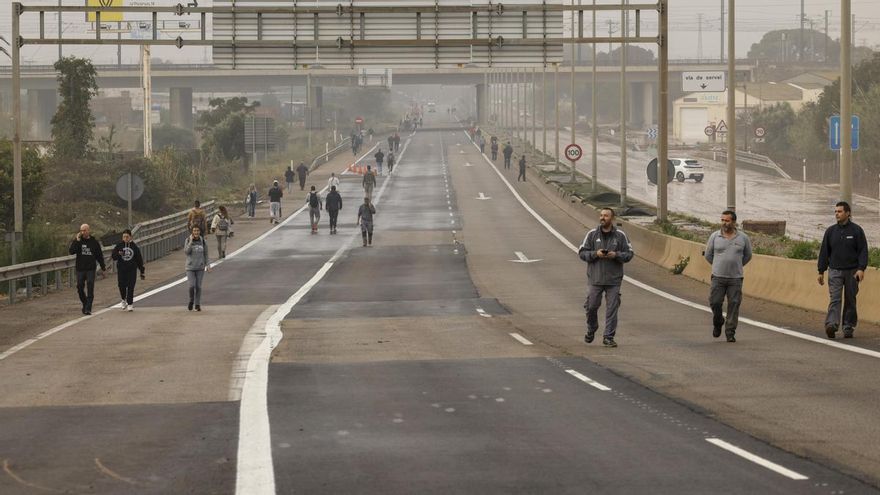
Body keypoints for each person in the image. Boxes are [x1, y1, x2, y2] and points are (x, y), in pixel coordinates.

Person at [577, 208, 634, 347]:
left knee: (612, 309)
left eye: (606, 216)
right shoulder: (591, 234)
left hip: (613, 280)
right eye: (601, 215)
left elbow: (629, 254)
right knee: (591, 307)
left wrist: (616, 255)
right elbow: (582, 252)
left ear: (612, 218)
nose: (603, 218)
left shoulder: (620, 235)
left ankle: (608, 337)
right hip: (595, 279)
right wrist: (595, 254)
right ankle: (591, 329)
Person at [818, 201, 869, 339]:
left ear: (848, 213)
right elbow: (824, 252)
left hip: (852, 271)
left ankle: (848, 326)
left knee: (850, 299)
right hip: (834, 271)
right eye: (835, 212)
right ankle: (832, 325)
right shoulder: (830, 231)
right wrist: (821, 271)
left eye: (840, 211)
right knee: (835, 299)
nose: (837, 214)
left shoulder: (857, 231)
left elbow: (863, 251)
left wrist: (861, 268)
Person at [704, 210, 753, 342]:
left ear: (734, 222)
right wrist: (717, 266)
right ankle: (718, 321)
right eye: (722, 220)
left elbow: (748, 256)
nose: (724, 223)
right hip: (718, 277)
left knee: (734, 304)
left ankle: (730, 332)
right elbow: (708, 255)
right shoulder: (715, 236)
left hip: (735, 278)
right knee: (715, 302)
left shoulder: (743, 238)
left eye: (727, 220)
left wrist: (736, 265)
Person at [69, 223, 107, 315]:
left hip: (90, 269)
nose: (83, 232)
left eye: (84, 230)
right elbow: (71, 251)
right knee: (79, 287)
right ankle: (85, 303)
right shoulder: (79, 241)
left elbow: (99, 256)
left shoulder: (94, 242)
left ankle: (88, 308)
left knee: (90, 286)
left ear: (88, 230)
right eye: (81, 230)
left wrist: (103, 267)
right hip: (80, 269)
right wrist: (77, 240)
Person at [111, 228, 145, 312]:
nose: (125, 238)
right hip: (121, 270)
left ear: (130, 237)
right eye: (124, 237)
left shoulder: (134, 247)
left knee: (130, 286)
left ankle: (130, 304)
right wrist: (119, 254)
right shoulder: (119, 246)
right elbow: (113, 256)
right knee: (121, 286)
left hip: (131, 270)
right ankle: (123, 299)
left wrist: (142, 271)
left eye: (127, 237)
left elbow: (139, 259)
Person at [185, 226, 211, 312]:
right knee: (192, 286)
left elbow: (206, 254)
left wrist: (208, 265)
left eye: (197, 231)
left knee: (198, 286)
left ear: (200, 231)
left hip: (200, 267)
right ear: (192, 232)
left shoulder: (203, 241)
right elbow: (186, 252)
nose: (196, 232)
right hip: (190, 267)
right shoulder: (188, 240)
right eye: (194, 231)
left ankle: (197, 304)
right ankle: (191, 300)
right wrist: (191, 242)